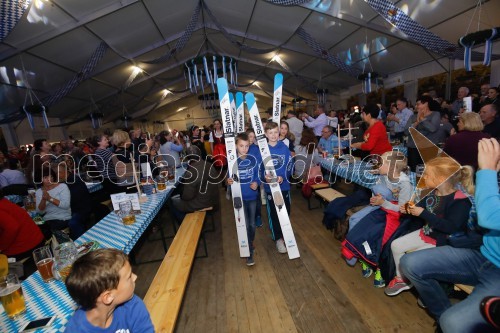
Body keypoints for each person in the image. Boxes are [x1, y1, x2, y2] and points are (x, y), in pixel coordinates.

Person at [400, 138, 500, 333]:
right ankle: (443, 315)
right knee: (409, 263)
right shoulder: (434, 193)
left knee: (453, 323)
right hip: (482, 252)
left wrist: (486, 170)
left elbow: (488, 217)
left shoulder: (460, 199)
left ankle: (447, 321)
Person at [384, 156, 474, 297]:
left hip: (444, 242)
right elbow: (421, 206)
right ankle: (402, 279)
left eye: (427, 175)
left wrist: (423, 213)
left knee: (414, 259)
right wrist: (408, 208)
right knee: (395, 245)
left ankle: (430, 290)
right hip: (427, 233)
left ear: (441, 178)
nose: (424, 177)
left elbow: (451, 227)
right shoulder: (434, 192)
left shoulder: (460, 201)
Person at [342, 151, 411, 288]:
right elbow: (380, 193)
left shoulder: (405, 184)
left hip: (396, 215)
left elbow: (404, 209)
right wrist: (377, 198)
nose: (379, 165)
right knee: (354, 219)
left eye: (382, 163)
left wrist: (383, 202)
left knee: (376, 234)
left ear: (391, 167)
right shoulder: (385, 175)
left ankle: (379, 268)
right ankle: (361, 256)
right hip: (381, 208)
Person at [65, 248, 154, 332]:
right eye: (129, 277)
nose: (135, 277)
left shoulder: (134, 306)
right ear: (108, 297)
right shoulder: (75, 329)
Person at [226, 133, 260, 266]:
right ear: (236, 146)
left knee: (252, 224)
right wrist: (228, 181)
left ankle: (250, 241)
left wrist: (257, 183)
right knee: (244, 225)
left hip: (252, 197)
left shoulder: (253, 159)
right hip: (239, 198)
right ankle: (249, 253)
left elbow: (258, 175)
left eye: (246, 146)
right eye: (241, 146)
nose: (244, 148)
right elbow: (229, 178)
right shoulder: (232, 161)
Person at [262, 121, 293, 253]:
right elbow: (259, 169)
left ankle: (286, 234)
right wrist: (265, 177)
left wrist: (283, 177)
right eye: (270, 133)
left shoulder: (284, 148)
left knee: (286, 212)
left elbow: (290, 166)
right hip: (270, 189)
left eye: (276, 132)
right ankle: (278, 239)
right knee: (274, 214)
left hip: (284, 186)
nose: (274, 135)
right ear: (266, 134)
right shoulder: (263, 150)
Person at [0, 189, 44, 277]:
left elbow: (12, 227)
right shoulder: (4, 202)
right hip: (36, 240)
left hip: (25, 247)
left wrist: (2, 246)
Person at [169, 146, 219, 223]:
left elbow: (187, 197)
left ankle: (186, 225)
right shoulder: (209, 165)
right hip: (214, 199)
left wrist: (181, 194)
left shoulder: (191, 172)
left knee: (172, 203)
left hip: (202, 203)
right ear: (200, 154)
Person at [34, 165, 79, 239]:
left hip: (62, 218)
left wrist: (50, 198)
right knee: (34, 229)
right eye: (46, 177)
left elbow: (65, 205)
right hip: (47, 219)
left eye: (51, 176)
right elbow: (40, 212)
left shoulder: (62, 187)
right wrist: (43, 199)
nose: (49, 179)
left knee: (46, 233)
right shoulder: (39, 192)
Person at [404, 95, 442, 171]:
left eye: (418, 104)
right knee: (413, 171)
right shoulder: (413, 117)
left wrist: (422, 119)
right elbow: (406, 131)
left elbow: (433, 129)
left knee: (428, 171)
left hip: (428, 148)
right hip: (413, 148)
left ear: (426, 104)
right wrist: (416, 123)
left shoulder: (435, 114)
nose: (416, 106)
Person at [56, 163, 91, 235]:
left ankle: (82, 238)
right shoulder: (63, 182)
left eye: (57, 173)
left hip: (81, 209)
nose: (55, 176)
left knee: (73, 223)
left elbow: (71, 200)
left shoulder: (74, 180)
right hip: (72, 209)